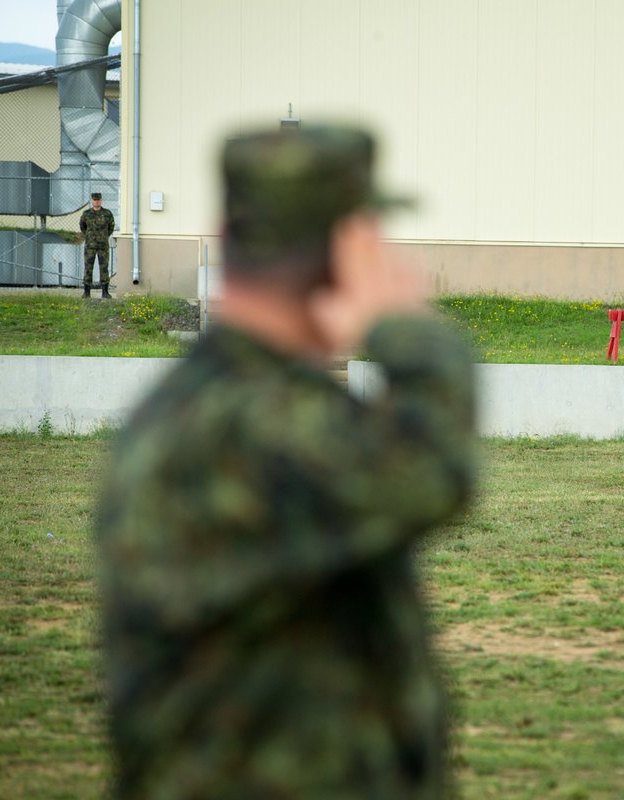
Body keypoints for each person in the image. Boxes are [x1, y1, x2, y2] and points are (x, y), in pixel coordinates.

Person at [97, 125, 477, 798]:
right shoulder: (247, 424)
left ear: (228, 233)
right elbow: (429, 469)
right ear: (347, 252)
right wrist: (403, 323)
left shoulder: (236, 400)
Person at [79, 191, 115, 298]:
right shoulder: (86, 214)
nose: (96, 202)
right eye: (95, 200)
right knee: (88, 268)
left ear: (101, 200)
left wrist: (103, 236)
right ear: (92, 201)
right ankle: (86, 292)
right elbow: (82, 227)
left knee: (104, 267)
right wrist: (90, 236)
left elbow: (111, 227)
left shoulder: (107, 213)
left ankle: (105, 292)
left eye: (98, 200)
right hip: (90, 246)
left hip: (103, 246)